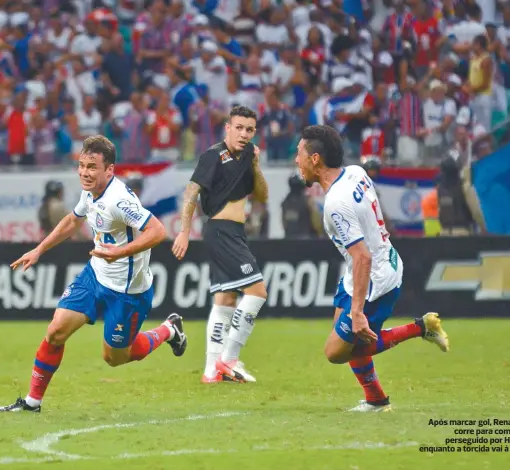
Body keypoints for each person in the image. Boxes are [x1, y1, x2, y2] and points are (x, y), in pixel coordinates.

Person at [0, 136, 187, 413]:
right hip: (95, 276)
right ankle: (32, 402)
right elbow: (73, 220)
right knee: (56, 331)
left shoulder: (119, 201)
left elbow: (158, 231)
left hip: (127, 292)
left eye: (92, 167)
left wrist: (118, 253)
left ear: (109, 170)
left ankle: (169, 330)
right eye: (82, 165)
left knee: (116, 358)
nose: (85, 172)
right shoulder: (90, 191)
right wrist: (39, 250)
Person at [294, 125, 450, 412]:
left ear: (315, 159)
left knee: (336, 352)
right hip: (370, 265)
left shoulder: (335, 204)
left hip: (375, 278)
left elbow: (362, 256)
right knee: (347, 337)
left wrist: (356, 311)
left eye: (299, 153)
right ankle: (376, 400)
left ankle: (420, 328)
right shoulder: (355, 172)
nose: (296, 160)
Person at [172, 106, 268, 384]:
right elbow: (191, 193)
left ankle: (211, 370)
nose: (244, 134)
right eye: (238, 127)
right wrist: (184, 231)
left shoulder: (249, 156)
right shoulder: (213, 156)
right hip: (220, 230)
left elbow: (261, 195)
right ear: (227, 128)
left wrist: (256, 167)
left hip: (233, 231)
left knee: (226, 298)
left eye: (249, 129)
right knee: (258, 292)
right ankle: (229, 359)